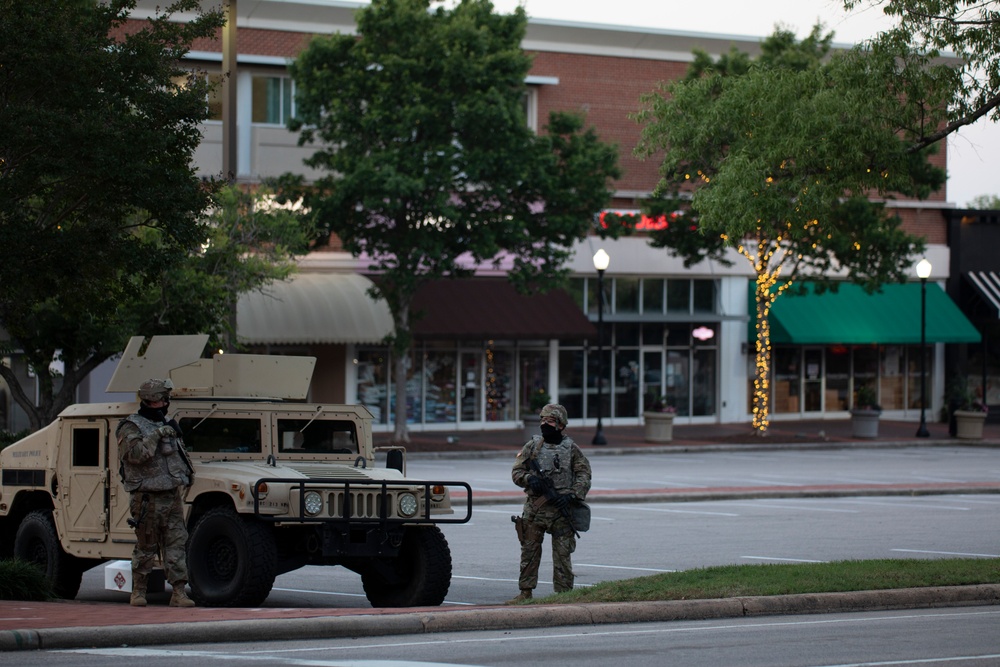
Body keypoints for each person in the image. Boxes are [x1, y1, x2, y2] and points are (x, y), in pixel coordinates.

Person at [117, 378, 196, 607]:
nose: (165, 402)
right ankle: (138, 592)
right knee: (147, 545)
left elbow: (178, 455)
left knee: (176, 543)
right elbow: (135, 455)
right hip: (147, 497)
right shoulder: (131, 426)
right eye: (163, 398)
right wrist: (158, 434)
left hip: (171, 494)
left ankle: (179, 592)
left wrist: (187, 474)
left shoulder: (167, 422)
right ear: (152, 399)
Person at [508, 403, 591, 603]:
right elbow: (517, 472)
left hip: (561, 512)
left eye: (551, 421)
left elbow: (584, 474)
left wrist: (572, 495)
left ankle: (564, 596)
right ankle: (525, 592)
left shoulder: (571, 448)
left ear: (561, 425)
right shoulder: (533, 446)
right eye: (543, 420)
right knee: (529, 551)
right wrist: (530, 480)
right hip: (535, 510)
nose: (546, 424)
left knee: (562, 556)